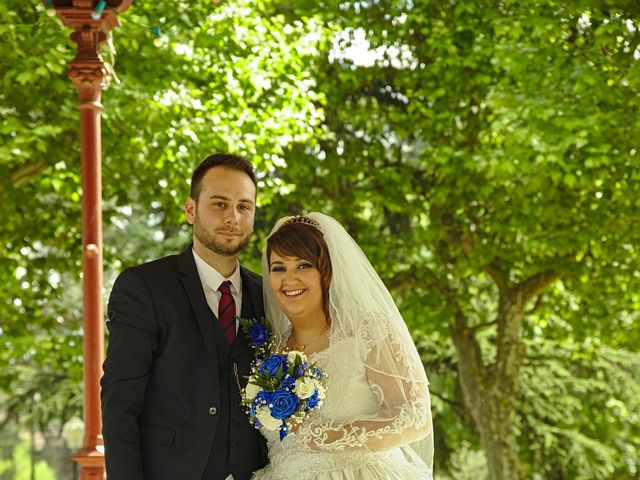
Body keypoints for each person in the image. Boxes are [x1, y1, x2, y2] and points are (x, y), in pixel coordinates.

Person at [101, 154, 268, 480]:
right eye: (219, 204)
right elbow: (120, 405)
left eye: (244, 207)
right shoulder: (144, 288)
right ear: (191, 210)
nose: (232, 217)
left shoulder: (267, 295)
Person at [251, 213, 434, 480]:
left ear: (326, 271)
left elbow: (415, 419)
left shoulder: (366, 332)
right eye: (278, 268)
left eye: (303, 266)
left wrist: (327, 436)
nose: (289, 279)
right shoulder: (269, 348)